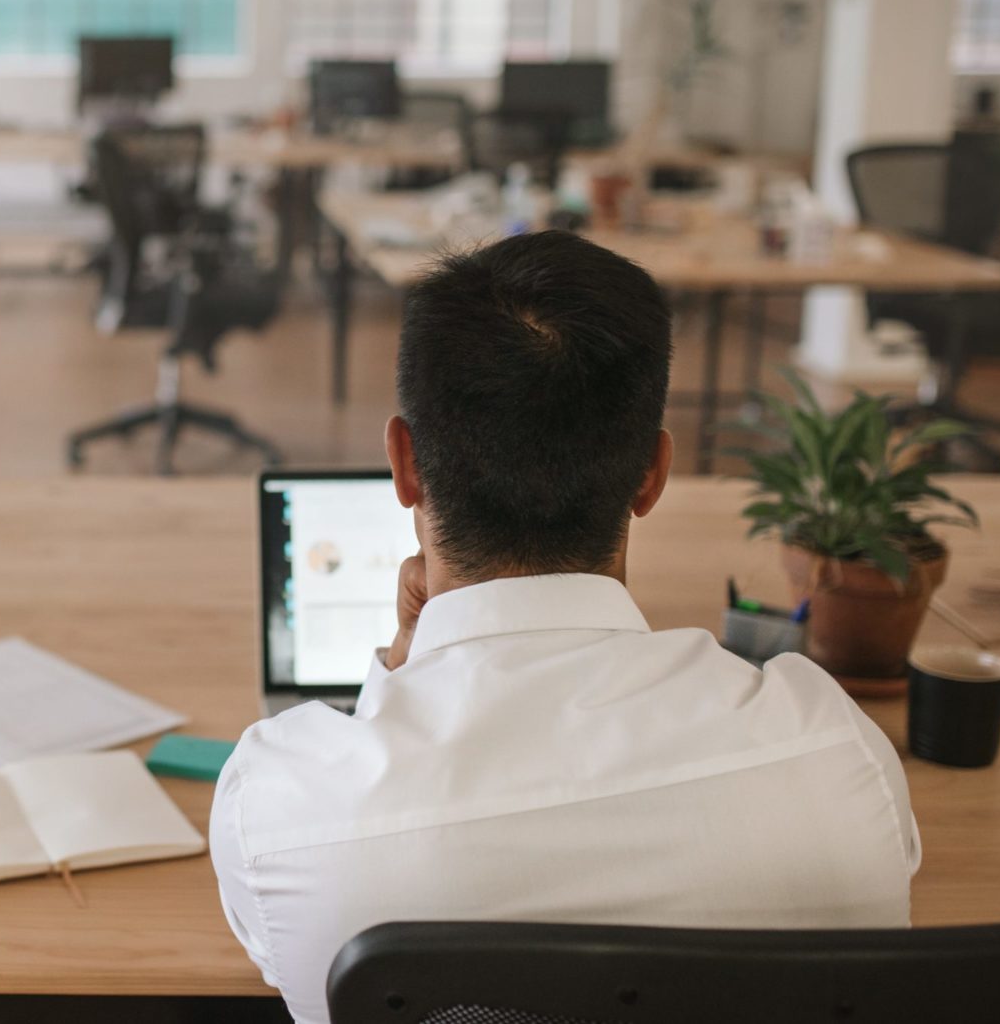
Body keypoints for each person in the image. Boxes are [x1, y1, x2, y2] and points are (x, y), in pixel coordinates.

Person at [210, 231, 919, 1024]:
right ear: (651, 473)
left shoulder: (281, 807)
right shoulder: (834, 758)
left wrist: (400, 667)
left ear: (404, 466)